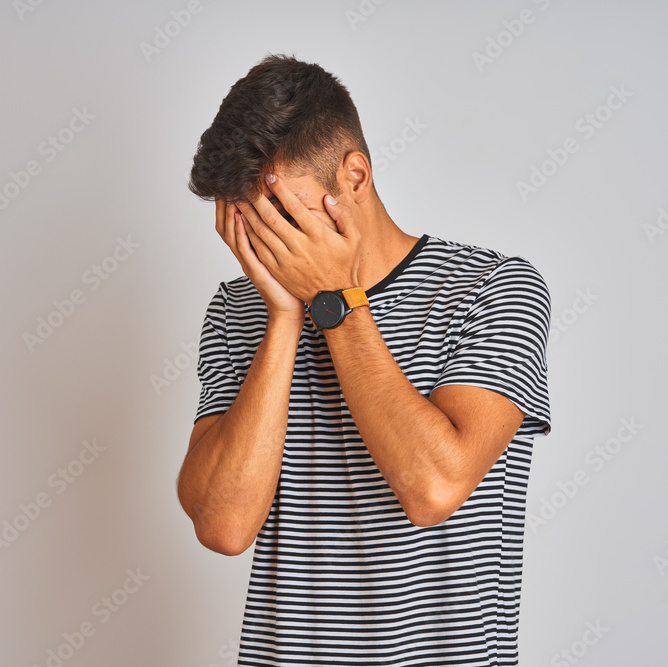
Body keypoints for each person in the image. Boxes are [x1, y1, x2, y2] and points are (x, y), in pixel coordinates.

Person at [176, 53, 552, 667]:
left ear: (353, 176)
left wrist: (336, 302)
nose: (266, 243)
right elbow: (224, 526)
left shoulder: (494, 288)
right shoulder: (236, 310)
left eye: (284, 215)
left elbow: (434, 487)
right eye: (248, 224)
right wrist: (282, 318)